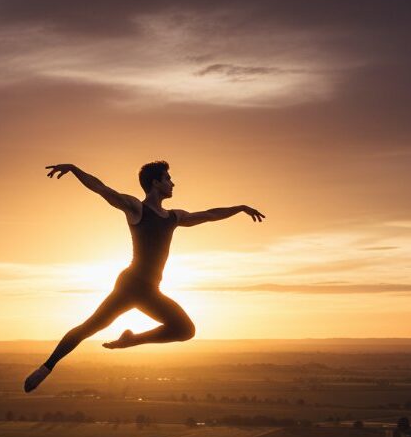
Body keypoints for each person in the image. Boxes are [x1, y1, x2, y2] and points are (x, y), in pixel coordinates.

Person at [24, 160, 265, 392]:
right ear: (155, 182)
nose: (173, 183)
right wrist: (75, 170)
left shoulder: (174, 217)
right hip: (131, 286)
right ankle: (46, 367)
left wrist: (240, 208)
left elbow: (210, 214)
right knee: (91, 326)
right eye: (168, 178)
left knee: (185, 330)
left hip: (150, 291)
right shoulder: (136, 209)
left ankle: (130, 340)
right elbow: (102, 189)